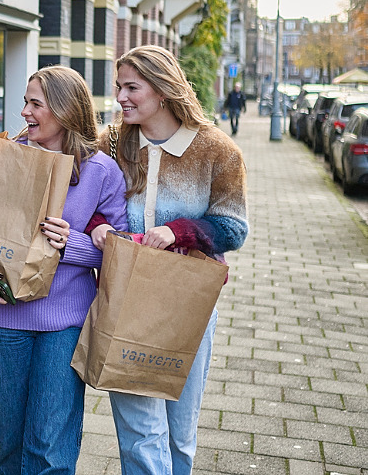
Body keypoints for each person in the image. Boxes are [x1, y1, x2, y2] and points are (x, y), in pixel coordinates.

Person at [0, 65, 127, 475]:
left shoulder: (101, 171)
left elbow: (121, 251)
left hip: (65, 322)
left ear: (65, 109)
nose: (24, 112)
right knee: (12, 444)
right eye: (25, 102)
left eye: (35, 103)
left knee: (48, 447)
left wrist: (68, 244)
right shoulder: (0, 157)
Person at [87, 45, 248, 475]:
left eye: (131, 87)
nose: (121, 96)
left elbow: (234, 228)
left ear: (162, 90)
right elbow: (87, 199)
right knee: (141, 433)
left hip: (188, 304)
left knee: (179, 434)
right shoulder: (113, 142)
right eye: (119, 86)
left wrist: (179, 231)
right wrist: (97, 224)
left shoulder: (216, 151)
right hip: (125, 298)